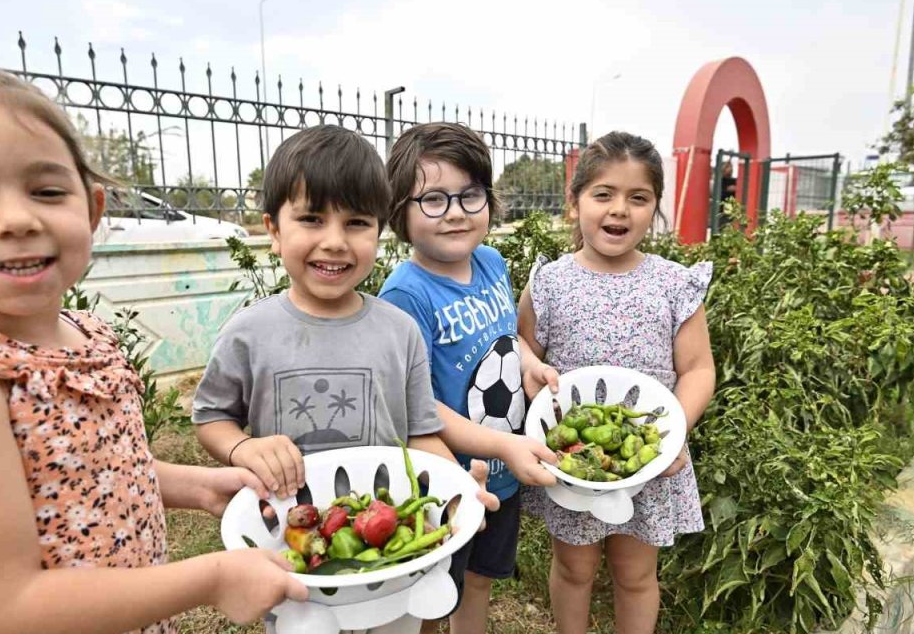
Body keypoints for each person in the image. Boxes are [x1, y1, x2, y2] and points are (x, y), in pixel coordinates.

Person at [0, 60, 305, 634]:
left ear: (91, 210)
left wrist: (201, 484)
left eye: (46, 190)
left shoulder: (83, 335)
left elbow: (86, 472)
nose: (15, 218)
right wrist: (211, 578)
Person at [191, 124, 501, 630]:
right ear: (273, 230)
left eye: (356, 222)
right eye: (311, 219)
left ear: (379, 229)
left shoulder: (399, 332)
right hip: (294, 548)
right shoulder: (249, 333)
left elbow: (421, 431)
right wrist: (242, 449)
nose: (334, 243)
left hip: (387, 539)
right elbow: (211, 419)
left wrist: (455, 488)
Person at [519, 131, 716, 634]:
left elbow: (697, 370)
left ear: (655, 209)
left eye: (638, 198)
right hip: (574, 458)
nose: (619, 211)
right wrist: (540, 413)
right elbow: (525, 359)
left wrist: (674, 431)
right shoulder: (550, 282)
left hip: (647, 457)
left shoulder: (674, 284)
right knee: (574, 567)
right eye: (602, 194)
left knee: (635, 573)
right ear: (575, 203)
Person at [378, 122, 558, 634]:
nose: (455, 211)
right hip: (446, 480)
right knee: (433, 591)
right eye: (433, 199)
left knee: (478, 582)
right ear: (400, 214)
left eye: (469, 195)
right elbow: (420, 409)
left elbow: (508, 335)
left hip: (505, 467)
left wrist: (528, 362)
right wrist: (502, 449)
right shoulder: (406, 297)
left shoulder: (492, 263)